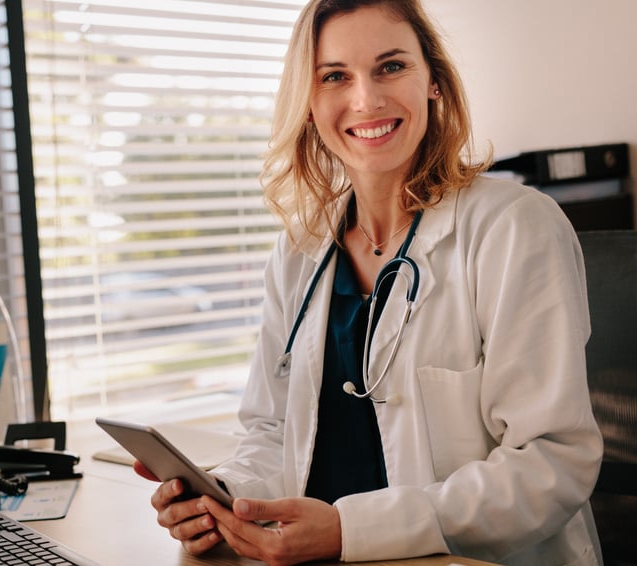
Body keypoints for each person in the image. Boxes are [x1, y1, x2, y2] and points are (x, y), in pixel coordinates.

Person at [133, 0, 604, 564]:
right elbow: (272, 431)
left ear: (433, 80)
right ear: (308, 105)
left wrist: (348, 528)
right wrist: (227, 499)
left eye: (391, 67)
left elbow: (551, 462)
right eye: (335, 76)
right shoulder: (300, 250)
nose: (366, 99)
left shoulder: (512, 227)